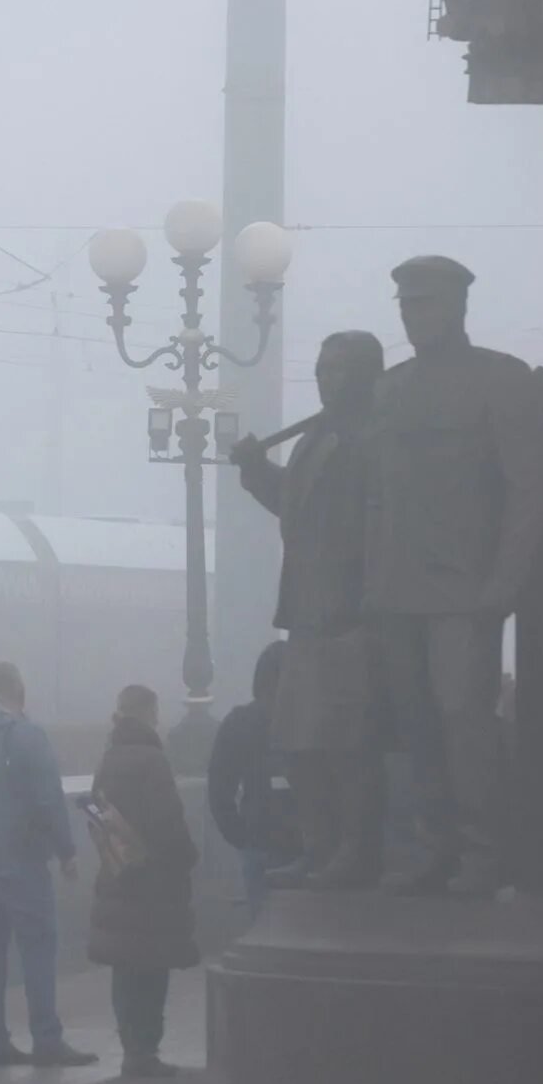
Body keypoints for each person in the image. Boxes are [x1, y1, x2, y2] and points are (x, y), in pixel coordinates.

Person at [363, 257, 543, 898]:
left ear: (459, 308)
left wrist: (504, 584)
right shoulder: (389, 390)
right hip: (397, 590)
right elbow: (375, 499)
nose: (416, 315)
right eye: (407, 305)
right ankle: (433, 847)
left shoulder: (500, 381)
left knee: (463, 721)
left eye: (428, 303)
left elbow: (531, 489)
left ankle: (484, 852)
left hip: (465, 591)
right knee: (416, 727)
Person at [231, 329, 388, 889]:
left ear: (369, 376)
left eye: (339, 369)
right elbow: (294, 511)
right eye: (321, 368)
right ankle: (320, 846)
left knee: (345, 745)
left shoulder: (378, 440)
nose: (326, 379)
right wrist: (256, 472)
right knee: (298, 742)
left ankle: (354, 849)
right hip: (306, 614)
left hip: (351, 615)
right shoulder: (314, 438)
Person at [0, 660, 97, 1068]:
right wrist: (67, 851)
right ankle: (46, 1039)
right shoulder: (26, 735)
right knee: (38, 950)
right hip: (22, 863)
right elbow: (48, 800)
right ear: (20, 696)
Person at [87, 684, 200, 1078]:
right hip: (154, 883)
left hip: (119, 874)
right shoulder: (152, 760)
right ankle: (146, 1050)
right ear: (149, 714)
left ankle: (131, 1046)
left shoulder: (109, 757)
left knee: (125, 963)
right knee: (152, 964)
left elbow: (98, 814)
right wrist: (188, 856)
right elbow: (168, 821)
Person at [206, 641, 298, 917]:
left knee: (263, 925)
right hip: (306, 845)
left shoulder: (239, 722)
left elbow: (219, 790)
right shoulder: (307, 719)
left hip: (258, 840)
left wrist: (241, 835)